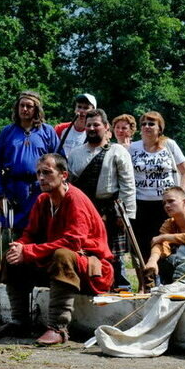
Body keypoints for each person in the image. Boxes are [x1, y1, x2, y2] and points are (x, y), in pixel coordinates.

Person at [0, 154, 113, 345]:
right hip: (56, 264)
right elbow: (31, 234)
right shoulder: (43, 200)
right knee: (11, 256)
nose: (41, 177)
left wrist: (29, 251)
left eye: (47, 172)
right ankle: (19, 321)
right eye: (38, 173)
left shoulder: (75, 199)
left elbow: (72, 243)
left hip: (91, 268)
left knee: (62, 254)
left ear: (63, 175)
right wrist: (20, 246)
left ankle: (58, 328)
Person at [67, 109, 135, 290]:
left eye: (96, 124)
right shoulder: (75, 154)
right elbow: (70, 186)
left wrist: (125, 214)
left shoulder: (117, 151)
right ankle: (91, 285)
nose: (91, 128)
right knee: (86, 251)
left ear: (106, 127)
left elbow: (128, 184)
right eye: (88, 125)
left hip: (111, 211)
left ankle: (121, 287)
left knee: (114, 255)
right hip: (83, 212)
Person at [0, 91, 60, 232]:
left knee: (39, 230)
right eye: (22, 105)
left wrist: (55, 190)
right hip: (12, 190)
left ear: (36, 110)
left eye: (29, 106)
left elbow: (60, 162)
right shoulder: (7, 132)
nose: (25, 109)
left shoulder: (47, 131)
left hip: (39, 189)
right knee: (10, 233)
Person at [129, 111, 185, 261]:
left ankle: (165, 279)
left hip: (165, 204)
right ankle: (146, 281)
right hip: (140, 203)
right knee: (142, 244)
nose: (147, 127)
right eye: (143, 124)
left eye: (151, 124)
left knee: (166, 242)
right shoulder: (133, 147)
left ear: (160, 128)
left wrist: (180, 194)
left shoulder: (169, 145)